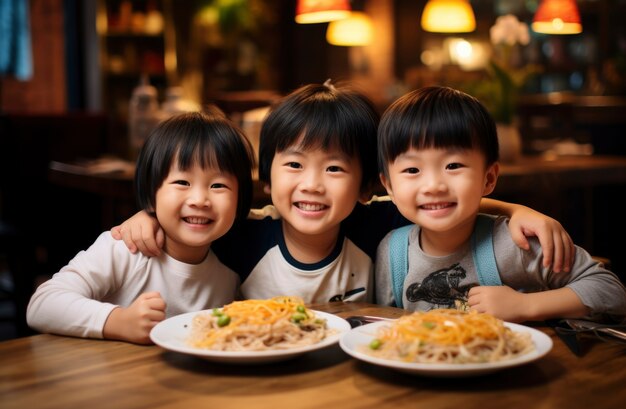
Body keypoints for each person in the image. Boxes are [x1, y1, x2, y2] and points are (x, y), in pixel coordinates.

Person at [112, 81, 575, 304]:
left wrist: (516, 210)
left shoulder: (372, 224)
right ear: (267, 181)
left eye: (334, 168)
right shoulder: (242, 236)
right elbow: (190, 223)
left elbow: (435, 203)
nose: (312, 184)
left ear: (367, 186)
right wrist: (149, 217)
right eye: (293, 165)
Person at [375, 86, 626, 322]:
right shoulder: (392, 253)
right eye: (411, 169)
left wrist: (525, 306)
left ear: (489, 178)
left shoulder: (514, 244)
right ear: (389, 186)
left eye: (453, 165)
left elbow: (611, 291)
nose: (433, 186)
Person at [27, 110, 256, 343]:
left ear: (241, 199)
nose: (199, 199)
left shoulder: (231, 271)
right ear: (151, 192)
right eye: (181, 182)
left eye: (218, 185)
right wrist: (118, 321)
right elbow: (42, 304)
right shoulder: (125, 249)